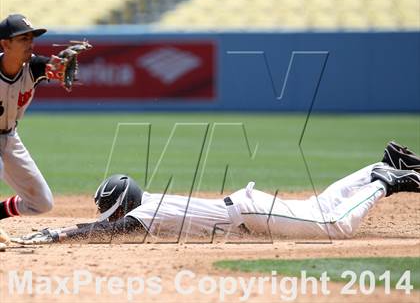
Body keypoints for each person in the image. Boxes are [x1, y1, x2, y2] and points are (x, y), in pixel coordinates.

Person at [13, 141, 420, 244]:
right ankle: (375, 167)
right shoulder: (151, 204)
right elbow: (107, 228)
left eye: (112, 211)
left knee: (334, 224)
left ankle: (387, 179)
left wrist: (57, 233)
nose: (112, 218)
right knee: (318, 208)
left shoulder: (149, 214)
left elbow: (103, 233)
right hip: (248, 209)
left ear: (124, 205)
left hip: (250, 214)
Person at [0, 14, 72, 221]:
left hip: (9, 137)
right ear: (5, 44)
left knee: (41, 202)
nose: (30, 43)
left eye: (32, 38)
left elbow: (48, 67)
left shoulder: (32, 67)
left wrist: (58, 68)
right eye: (23, 39)